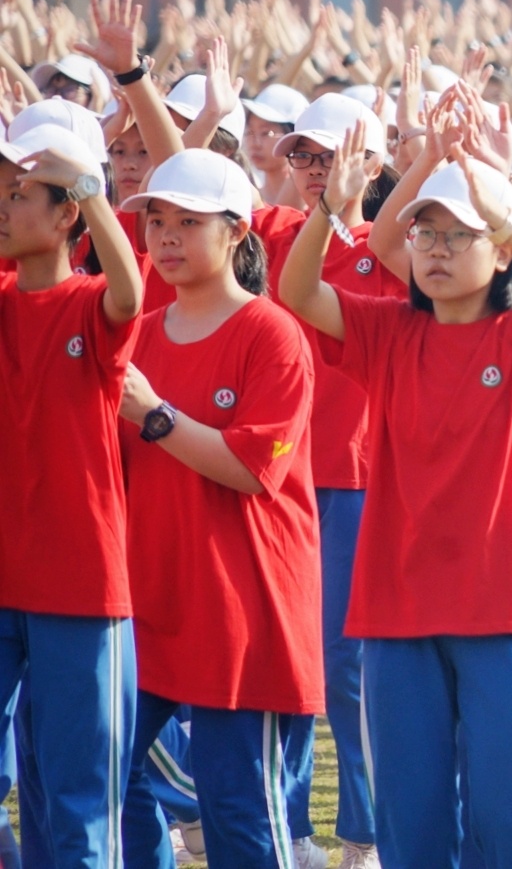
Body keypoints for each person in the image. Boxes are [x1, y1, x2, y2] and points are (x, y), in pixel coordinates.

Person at [277, 93, 512, 869]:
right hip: (398, 612)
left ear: (500, 251)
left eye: (459, 235)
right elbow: (297, 292)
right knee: (413, 825)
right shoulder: (389, 330)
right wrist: (333, 207)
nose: (438, 249)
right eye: (427, 233)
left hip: (503, 612)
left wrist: (509, 213)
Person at [117, 148, 324, 869]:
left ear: (237, 232)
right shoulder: (140, 333)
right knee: (104, 766)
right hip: (152, 603)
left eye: (188, 222)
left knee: (241, 813)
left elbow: (251, 469)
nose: (166, 237)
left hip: (244, 609)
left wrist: (156, 414)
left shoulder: (272, 333)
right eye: (156, 222)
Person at [0, 123, 144, 869]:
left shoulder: (91, 303)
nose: (2, 207)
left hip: (80, 588)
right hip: (5, 581)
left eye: (18, 194)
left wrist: (90, 185)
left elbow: (130, 291)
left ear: (66, 216)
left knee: (79, 804)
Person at [262, 94, 397, 869]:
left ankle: (365, 831)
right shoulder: (278, 233)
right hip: (276, 472)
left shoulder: (393, 244)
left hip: (355, 477)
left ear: (371, 164)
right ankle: (289, 828)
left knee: (347, 666)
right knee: (284, 655)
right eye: (304, 157)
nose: (316, 170)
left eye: (332, 156)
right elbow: (169, 175)